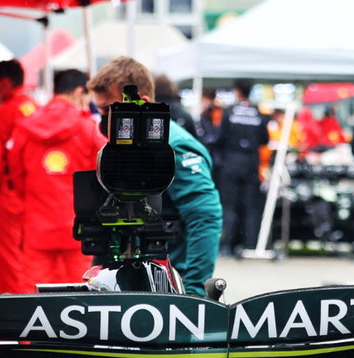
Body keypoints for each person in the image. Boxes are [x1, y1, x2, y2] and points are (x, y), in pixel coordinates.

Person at [86, 57, 222, 298]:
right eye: (100, 110)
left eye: (110, 110)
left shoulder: (174, 146)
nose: (104, 119)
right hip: (125, 284)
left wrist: (194, 294)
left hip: (166, 289)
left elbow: (205, 216)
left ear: (142, 104)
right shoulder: (116, 151)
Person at [10, 69, 103, 289]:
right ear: (79, 91)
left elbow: (15, 176)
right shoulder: (88, 127)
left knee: (35, 296)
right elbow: (103, 172)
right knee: (80, 295)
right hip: (78, 224)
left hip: (36, 223)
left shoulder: (25, 127)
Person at [0, 59, 38, 295]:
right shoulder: (33, 107)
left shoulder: (6, 113)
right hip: (35, 196)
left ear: (5, 83)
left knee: (8, 261)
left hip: (9, 196)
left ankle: (14, 317)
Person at [214, 80, 269, 256]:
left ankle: (228, 244)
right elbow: (265, 140)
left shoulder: (229, 112)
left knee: (229, 206)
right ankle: (249, 245)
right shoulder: (259, 113)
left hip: (231, 163)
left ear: (237, 92)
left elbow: (219, 137)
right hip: (251, 163)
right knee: (251, 207)